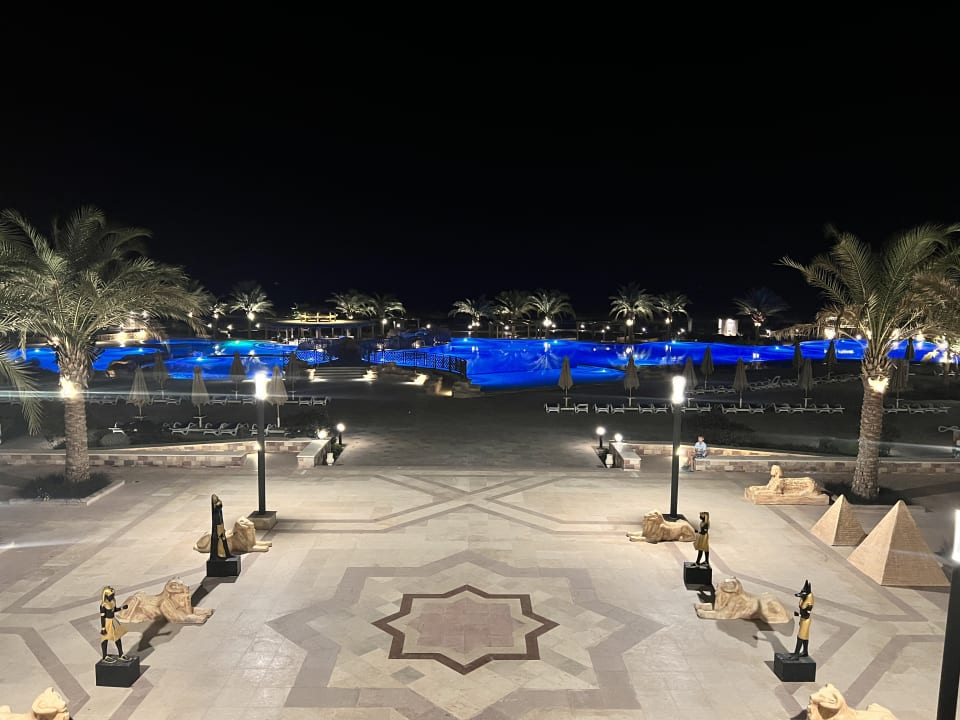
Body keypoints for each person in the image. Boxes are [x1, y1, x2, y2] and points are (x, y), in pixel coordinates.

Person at [99, 586, 129, 663]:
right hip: (107, 623)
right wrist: (103, 628)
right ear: (106, 595)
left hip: (113, 621)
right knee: (105, 639)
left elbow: (114, 610)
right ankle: (104, 656)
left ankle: (121, 654)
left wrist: (122, 608)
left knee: (117, 637)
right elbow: (102, 617)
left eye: (113, 595)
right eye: (111, 595)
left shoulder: (113, 601)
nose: (112, 597)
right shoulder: (103, 605)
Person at [791, 580, 814, 658]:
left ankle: (796, 654)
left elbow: (806, 615)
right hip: (803, 620)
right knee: (805, 636)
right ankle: (805, 651)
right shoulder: (804, 599)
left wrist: (799, 614)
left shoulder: (809, 604)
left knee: (800, 636)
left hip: (806, 621)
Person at [209, 493, 233, 562]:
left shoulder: (218, 507)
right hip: (217, 526)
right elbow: (219, 505)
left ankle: (227, 553)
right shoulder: (216, 507)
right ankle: (219, 555)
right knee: (220, 539)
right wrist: (218, 503)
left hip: (220, 524)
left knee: (223, 539)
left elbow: (220, 505)